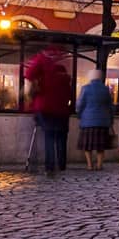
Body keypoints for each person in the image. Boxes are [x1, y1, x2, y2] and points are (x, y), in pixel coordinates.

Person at [25, 46, 72, 175]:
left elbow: (28, 74)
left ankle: (50, 166)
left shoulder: (43, 65)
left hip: (45, 108)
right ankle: (61, 164)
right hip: (62, 111)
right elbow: (69, 95)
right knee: (61, 137)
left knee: (49, 137)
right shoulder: (65, 79)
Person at [76, 69, 113, 170]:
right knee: (100, 146)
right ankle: (99, 165)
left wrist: (79, 114)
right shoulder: (105, 89)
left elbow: (79, 104)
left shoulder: (85, 88)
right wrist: (110, 120)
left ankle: (89, 165)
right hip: (102, 121)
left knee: (87, 145)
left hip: (87, 121)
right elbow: (110, 106)